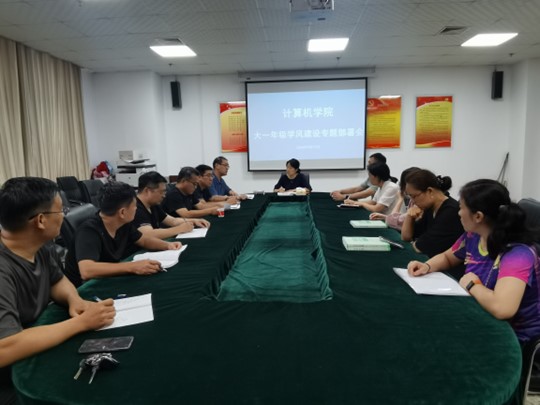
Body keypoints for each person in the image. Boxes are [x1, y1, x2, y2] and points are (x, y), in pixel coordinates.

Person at [0, 177, 115, 398]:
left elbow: (57, 280)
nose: (64, 216)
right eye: (61, 210)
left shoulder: (39, 245)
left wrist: (75, 300)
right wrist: (81, 323)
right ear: (41, 220)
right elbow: (4, 347)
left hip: (37, 343)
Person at [407, 179, 540, 344]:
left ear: (478, 216)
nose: (458, 213)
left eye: (461, 207)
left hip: (517, 338)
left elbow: (503, 308)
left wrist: (472, 285)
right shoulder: (473, 236)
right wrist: (427, 266)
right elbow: (448, 257)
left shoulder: (518, 254)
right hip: (483, 315)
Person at [64, 181, 182, 287]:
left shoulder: (123, 223)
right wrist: (133, 267)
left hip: (108, 279)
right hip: (85, 289)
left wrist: (167, 245)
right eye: (134, 206)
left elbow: (143, 240)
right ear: (122, 212)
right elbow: (87, 270)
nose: (136, 209)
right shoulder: (89, 231)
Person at [400, 169, 464, 257]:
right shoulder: (430, 207)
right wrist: (409, 215)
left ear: (430, 191)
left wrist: (417, 243)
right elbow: (406, 237)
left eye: (414, 196)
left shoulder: (450, 212)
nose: (413, 201)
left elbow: (420, 247)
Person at [134, 171, 210, 239]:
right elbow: (148, 234)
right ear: (147, 191)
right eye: (161, 192)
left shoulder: (153, 205)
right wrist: (179, 229)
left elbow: (173, 221)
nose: (164, 195)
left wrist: (194, 221)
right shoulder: (135, 208)